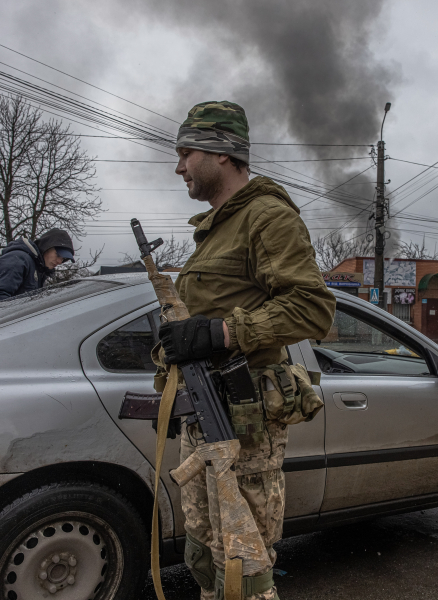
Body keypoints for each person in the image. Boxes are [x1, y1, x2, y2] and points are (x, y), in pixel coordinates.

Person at [156, 101, 335, 600]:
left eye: (185, 153)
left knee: (243, 570)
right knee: (202, 554)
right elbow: (198, 325)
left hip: (244, 424)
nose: (179, 167)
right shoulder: (214, 229)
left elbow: (313, 309)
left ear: (221, 153)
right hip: (203, 417)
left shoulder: (266, 217)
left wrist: (224, 334)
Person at [0, 229, 74, 305]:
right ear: (47, 247)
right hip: (2, 325)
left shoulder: (39, 271)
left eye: (63, 259)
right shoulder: (17, 260)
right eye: (58, 255)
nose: (59, 261)